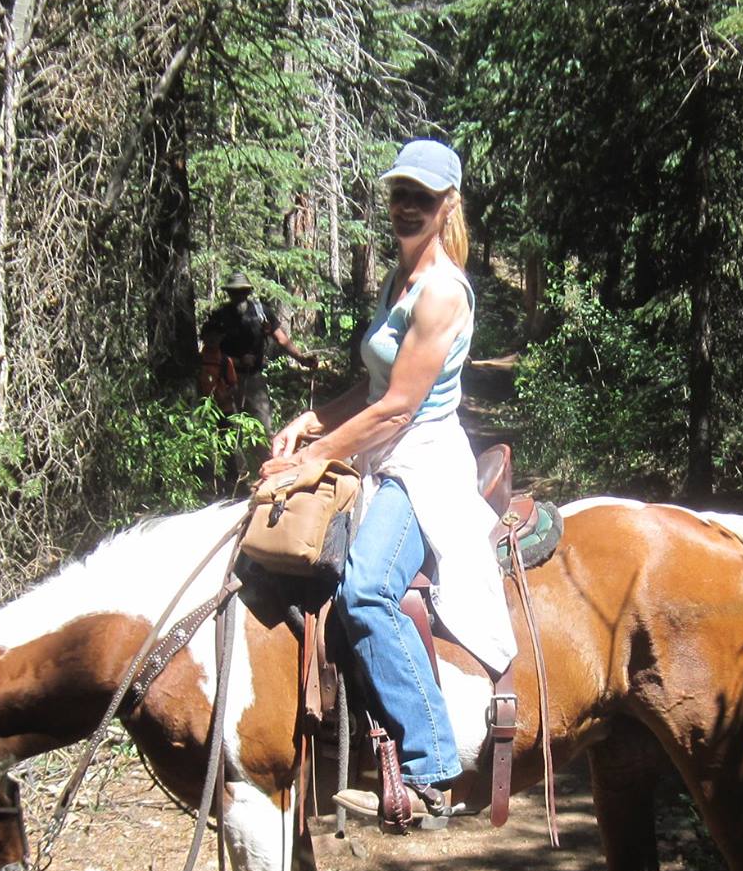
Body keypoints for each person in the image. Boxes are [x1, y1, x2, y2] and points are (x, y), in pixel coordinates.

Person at [260, 139, 516, 821]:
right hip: (381, 450)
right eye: (400, 193)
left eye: (421, 198)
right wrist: (312, 421)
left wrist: (316, 458)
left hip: (420, 464)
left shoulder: (442, 293)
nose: (406, 206)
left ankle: (432, 763)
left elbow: (400, 408)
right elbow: (374, 390)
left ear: (447, 205)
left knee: (367, 588)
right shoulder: (397, 279)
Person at [200, 271, 315, 483]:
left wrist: (301, 358)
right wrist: (236, 361)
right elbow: (210, 348)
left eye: (242, 292)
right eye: (234, 292)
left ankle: (271, 476)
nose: (239, 296)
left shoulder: (261, 312)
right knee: (229, 431)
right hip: (226, 381)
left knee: (263, 429)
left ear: (248, 292)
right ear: (229, 293)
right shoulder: (220, 317)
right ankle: (237, 481)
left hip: (254, 380)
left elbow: (281, 339)